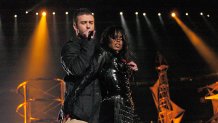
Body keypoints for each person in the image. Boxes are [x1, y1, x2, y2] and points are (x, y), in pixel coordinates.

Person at [59, 8, 100, 123]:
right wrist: (89, 43)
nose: (88, 26)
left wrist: (127, 69)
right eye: (83, 23)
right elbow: (77, 70)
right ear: (75, 26)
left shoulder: (98, 48)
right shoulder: (69, 47)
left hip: (97, 114)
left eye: (91, 23)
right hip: (77, 115)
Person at [96, 25, 138, 123]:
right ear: (107, 39)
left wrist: (131, 71)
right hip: (113, 105)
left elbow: (126, 88)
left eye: (121, 39)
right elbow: (89, 76)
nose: (118, 41)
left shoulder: (122, 62)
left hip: (126, 105)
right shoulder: (103, 56)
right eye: (114, 38)